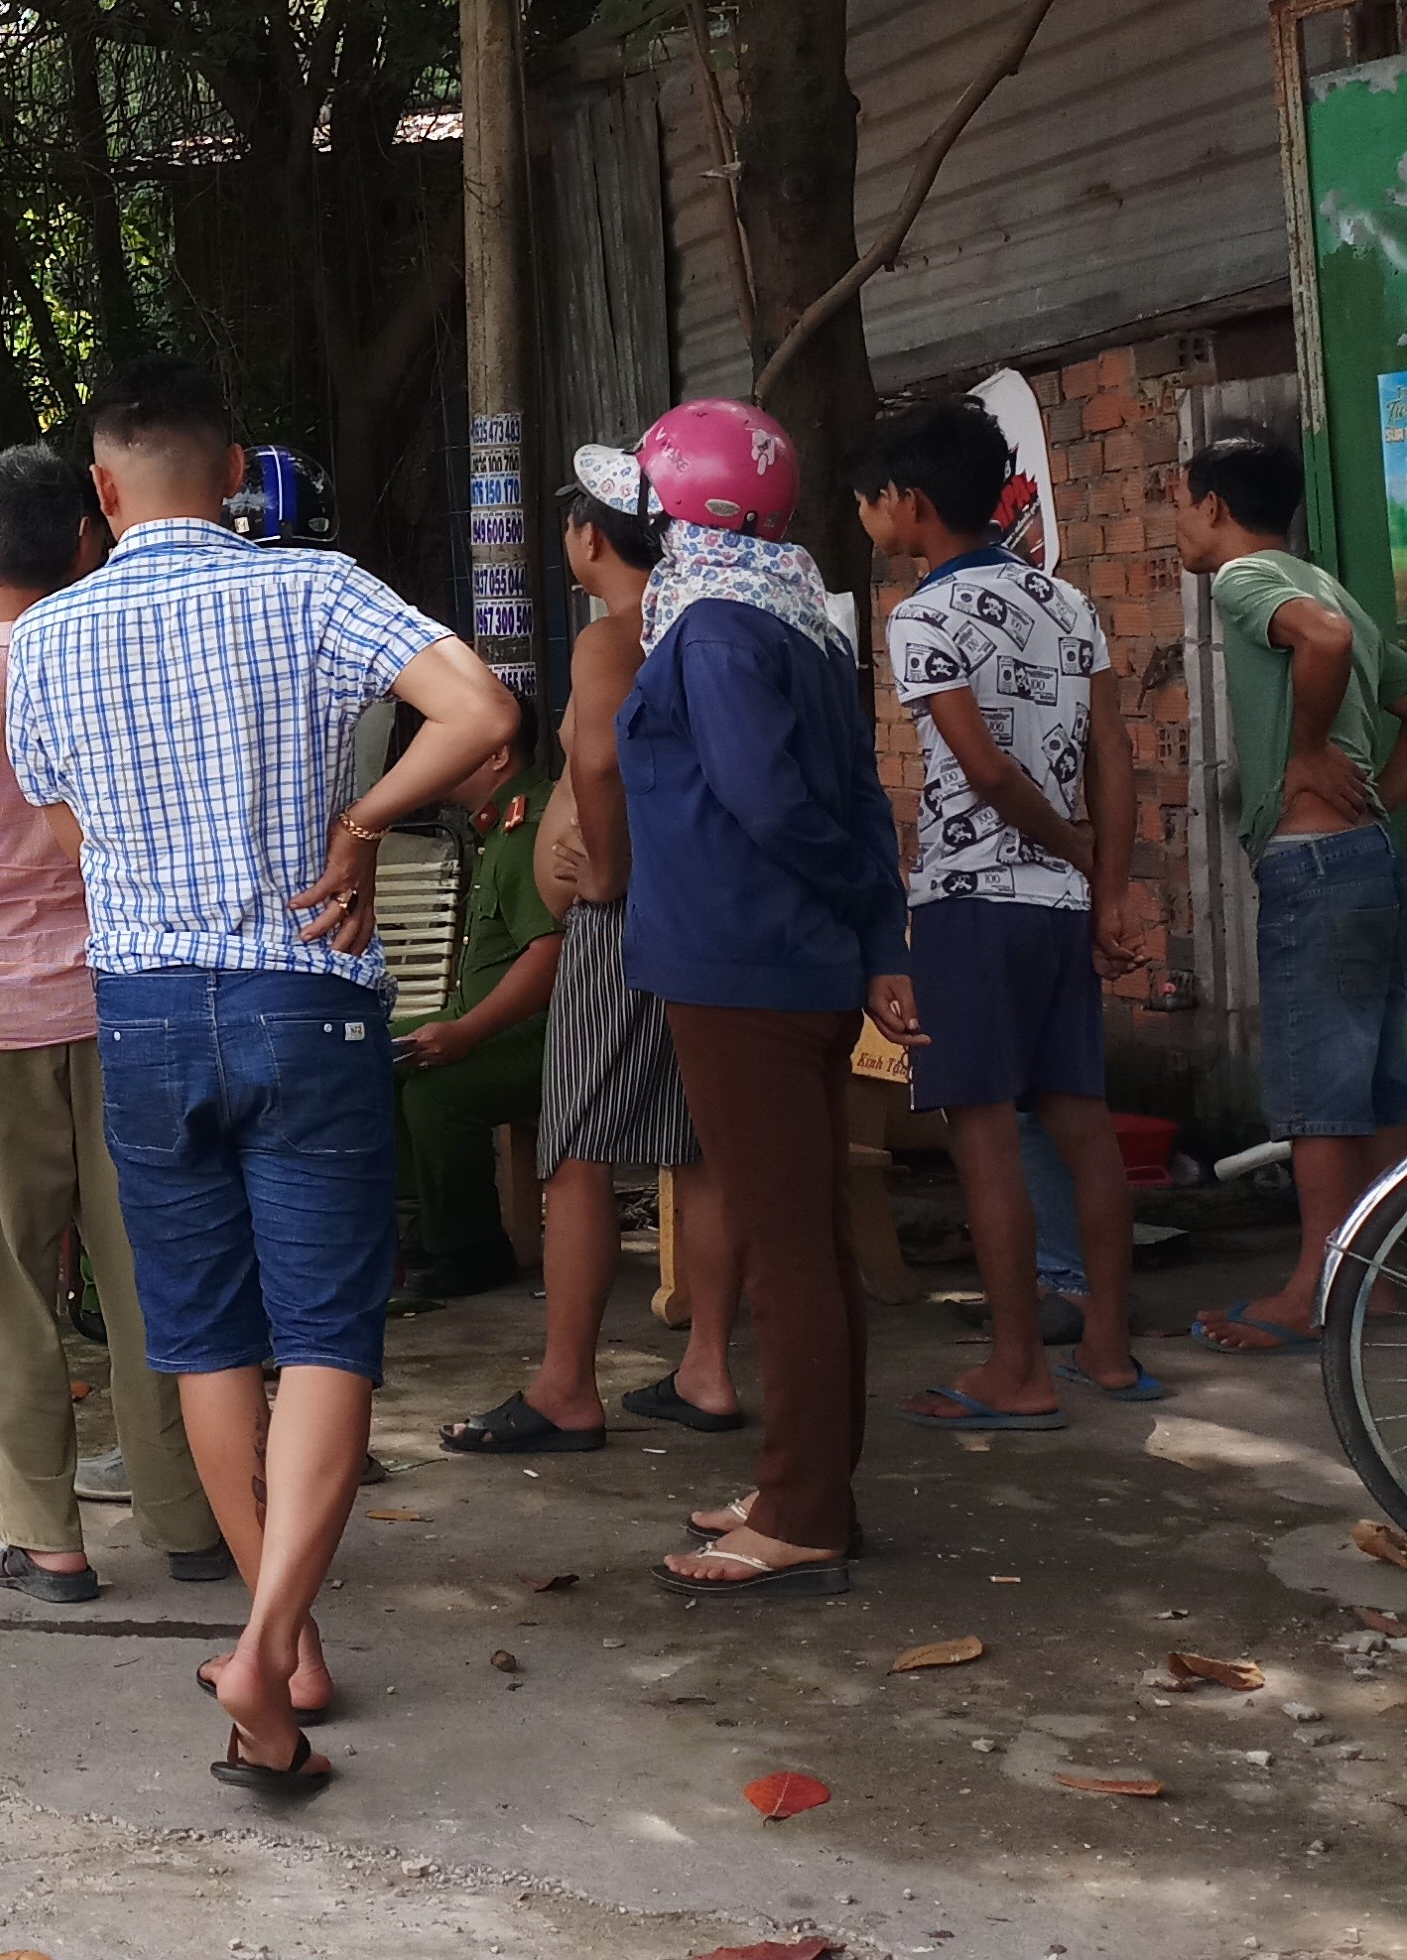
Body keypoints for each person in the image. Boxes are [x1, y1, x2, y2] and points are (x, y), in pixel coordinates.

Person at [0, 353, 518, 1797]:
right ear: (236, 472)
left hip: (148, 1008)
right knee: (330, 1338)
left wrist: (159, 881)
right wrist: (363, 819)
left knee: (208, 1339)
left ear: (101, 491)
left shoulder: (47, 636)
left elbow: (62, 838)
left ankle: (278, 1653)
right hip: (308, 1002)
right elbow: (482, 712)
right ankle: (271, 1645)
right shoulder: (311, 586)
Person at [0, 445, 227, 1601]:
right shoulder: (141, 673)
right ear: (90, 540)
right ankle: (190, 1519)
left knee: (1, 1281)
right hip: (135, 1005)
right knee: (152, 1275)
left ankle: (48, 1540)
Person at [593, 405, 921, 1604]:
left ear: (685, 514)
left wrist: (853, 911)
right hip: (789, 962)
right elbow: (862, 800)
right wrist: (873, 928)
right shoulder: (793, 610)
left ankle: (801, 1513)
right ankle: (806, 1484)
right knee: (809, 1239)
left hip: (746, 965)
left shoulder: (719, 629)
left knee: (788, 1250)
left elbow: (775, 807)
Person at [854, 403, 1156, 1419]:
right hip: (1060, 910)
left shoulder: (921, 617)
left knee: (981, 1137)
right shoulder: (1067, 602)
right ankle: (1107, 1352)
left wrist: (1072, 850)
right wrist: (1104, 885)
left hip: (967, 904)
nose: (866, 516)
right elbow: (1113, 753)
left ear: (911, 504)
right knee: (1084, 1128)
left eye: (870, 499)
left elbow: (981, 772)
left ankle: (1017, 1368)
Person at [440, 484, 707, 1456]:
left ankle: (565, 1389)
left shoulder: (614, 636)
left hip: (623, 920)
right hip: (699, 910)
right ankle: (709, 1364)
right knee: (694, 1146)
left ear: (590, 538)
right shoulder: (709, 624)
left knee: (576, 1153)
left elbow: (595, 761)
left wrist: (603, 866)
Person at [1172, 429, 1407, 1354]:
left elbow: (1325, 643)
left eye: (1184, 507)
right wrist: (1377, 798)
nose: (1181, 527)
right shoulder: (1332, 579)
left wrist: (1308, 754)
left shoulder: (1245, 580)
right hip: (1369, 860)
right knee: (1385, 1082)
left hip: (1312, 864)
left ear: (1216, 507)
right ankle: (1381, 1281)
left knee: (1316, 1087)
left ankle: (1317, 1287)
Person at [390, 695, 563, 1303]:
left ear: (495, 752)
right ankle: (424, 1227)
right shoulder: (500, 824)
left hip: (553, 1036)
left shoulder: (529, 829)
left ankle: (470, 1249)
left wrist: (466, 1034)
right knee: (374, 1050)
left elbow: (549, 955)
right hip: (492, 1021)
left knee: (439, 1092)